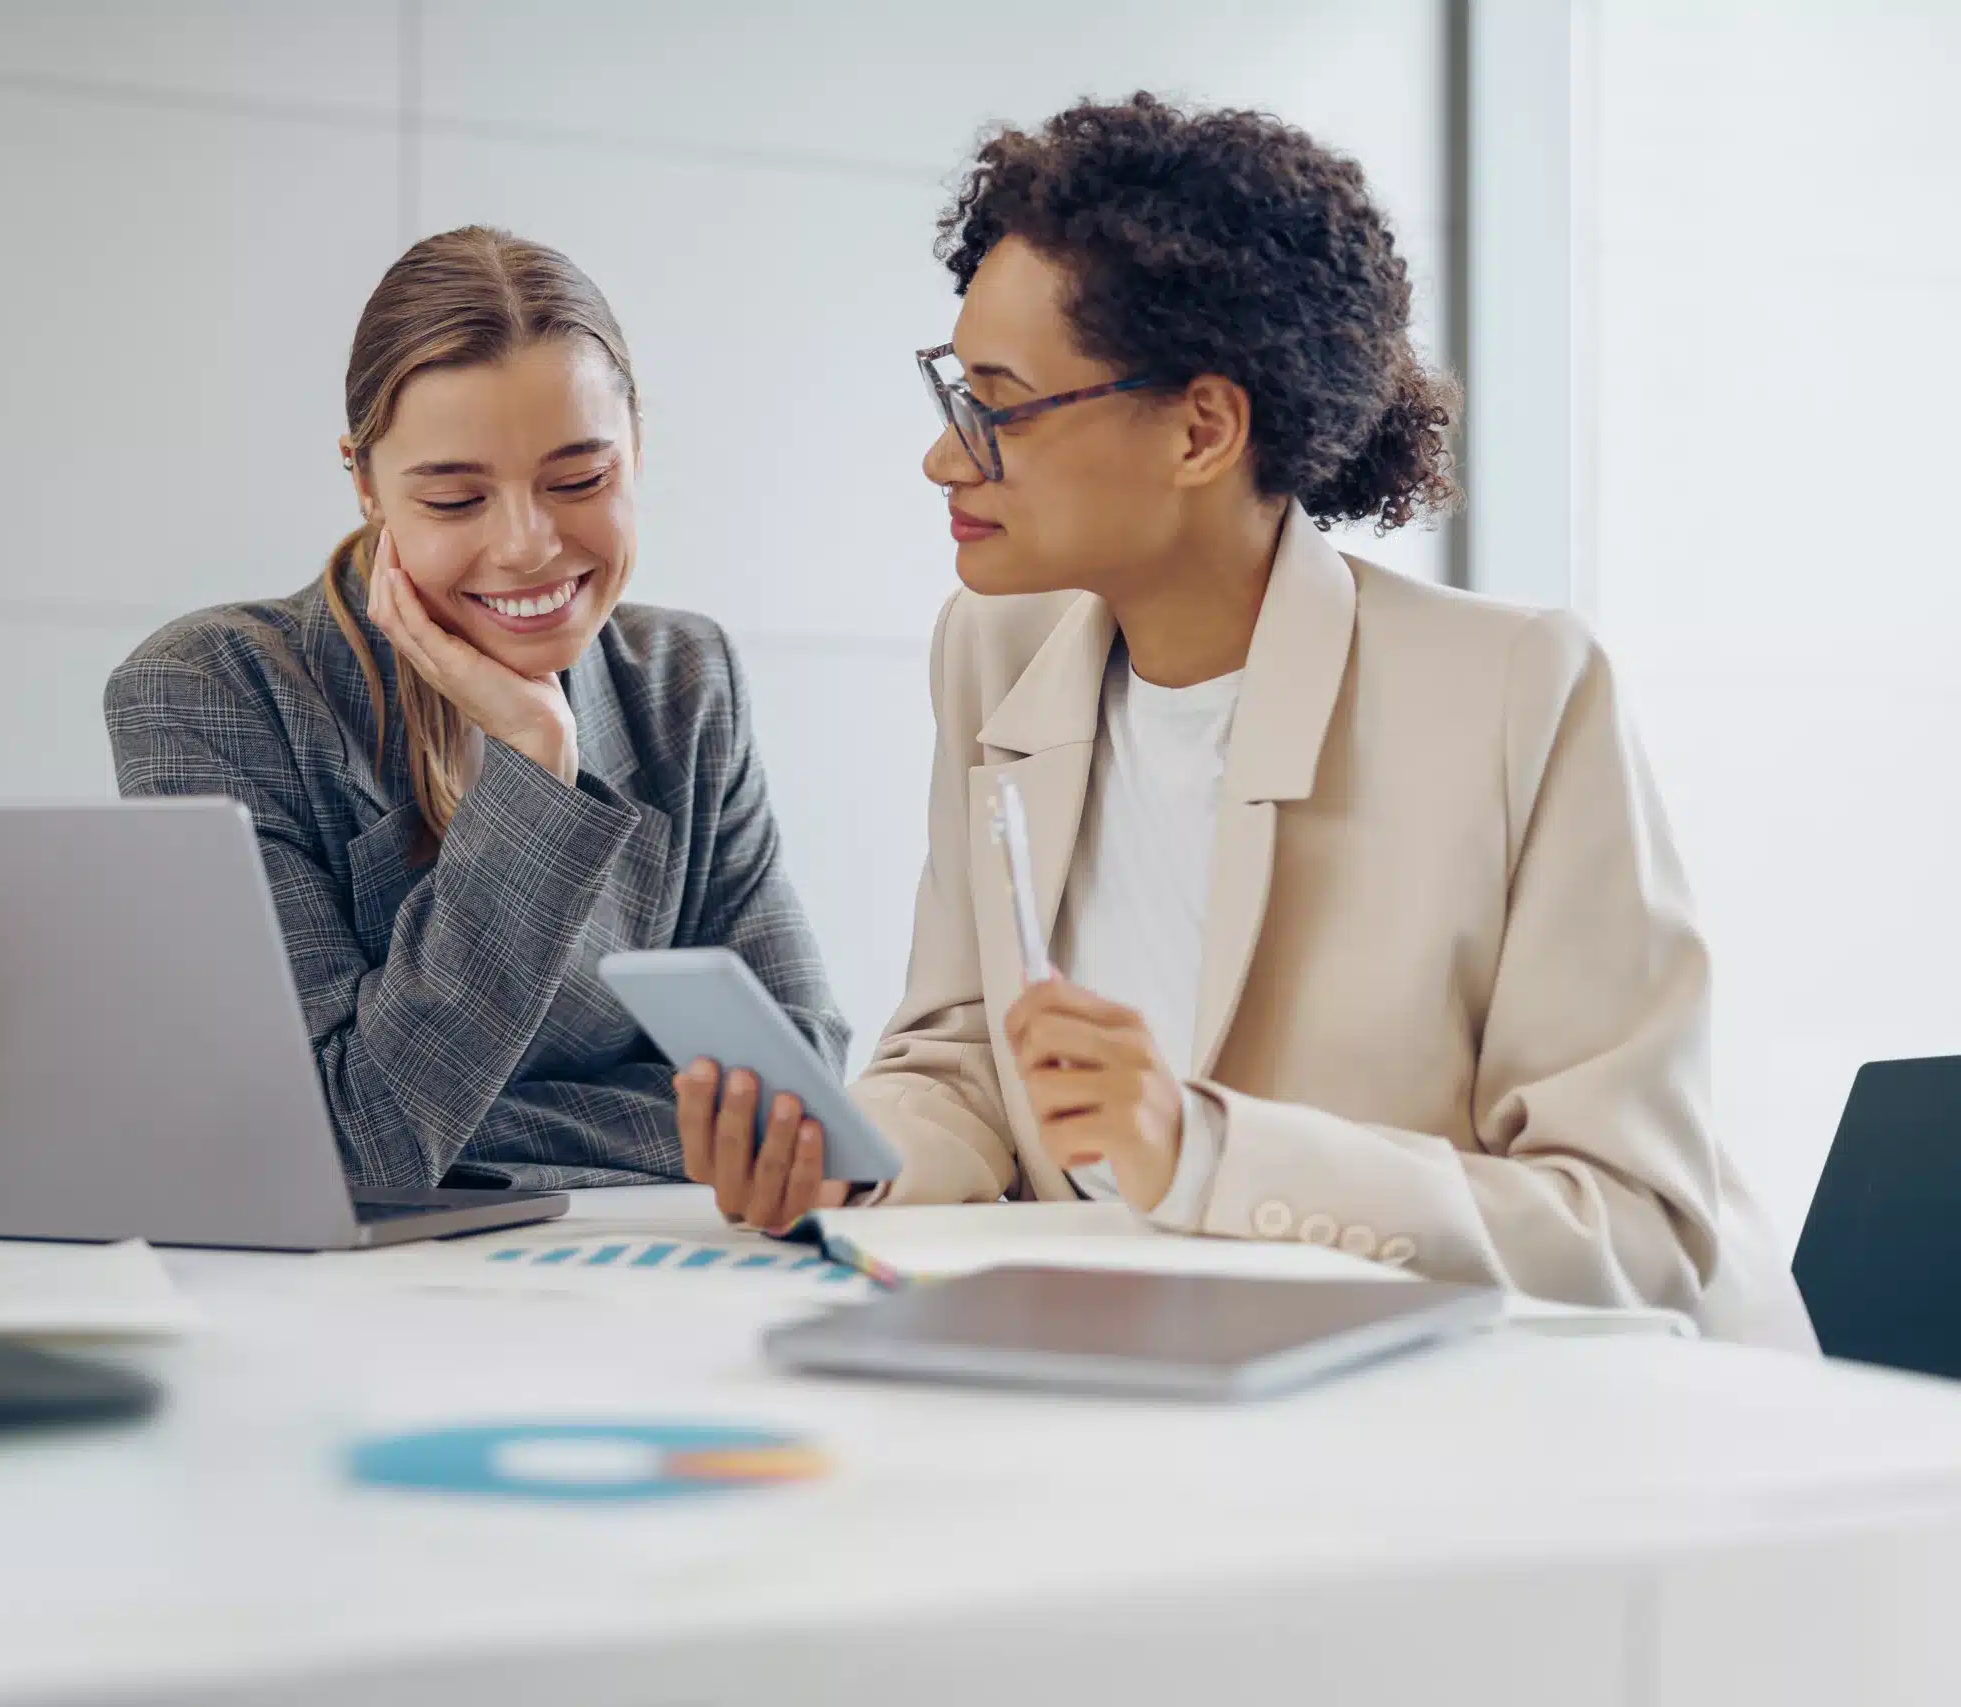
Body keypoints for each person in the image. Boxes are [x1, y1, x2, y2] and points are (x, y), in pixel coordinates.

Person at [680, 94, 1812, 1349]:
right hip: (1168, 1371)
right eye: (955, 393)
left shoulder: (1516, 690)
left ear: (1202, 430)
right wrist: (851, 1159)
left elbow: (1633, 1233)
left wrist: (1203, 1151)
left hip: (1535, 1407)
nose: (945, 459)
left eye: (997, 407)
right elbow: (967, 1062)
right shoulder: (995, 650)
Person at [107, 226, 847, 1193]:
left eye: (579, 481)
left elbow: (797, 1103)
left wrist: (464, 1128)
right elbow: (345, 1146)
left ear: (636, 446)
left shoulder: (682, 683)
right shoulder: (216, 692)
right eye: (456, 500)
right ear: (366, 483)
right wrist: (535, 766)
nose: (527, 546)